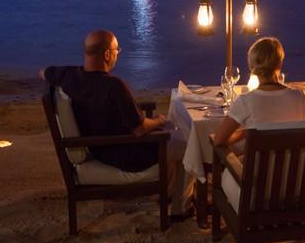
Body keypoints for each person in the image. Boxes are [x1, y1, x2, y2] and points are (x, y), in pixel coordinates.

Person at [39, 29, 193, 219]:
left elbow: (44, 72)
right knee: (188, 145)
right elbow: (139, 129)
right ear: (107, 54)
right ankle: (181, 207)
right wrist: (159, 120)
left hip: (103, 150)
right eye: (116, 50)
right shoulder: (114, 86)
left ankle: (167, 194)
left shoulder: (70, 75)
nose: (117, 55)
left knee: (171, 133)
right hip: (126, 154)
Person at [213, 37, 305, 148]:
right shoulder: (299, 97)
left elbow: (218, 141)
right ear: (280, 64)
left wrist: (246, 132)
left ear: (251, 67)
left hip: (258, 165)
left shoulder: (245, 101)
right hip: (294, 164)